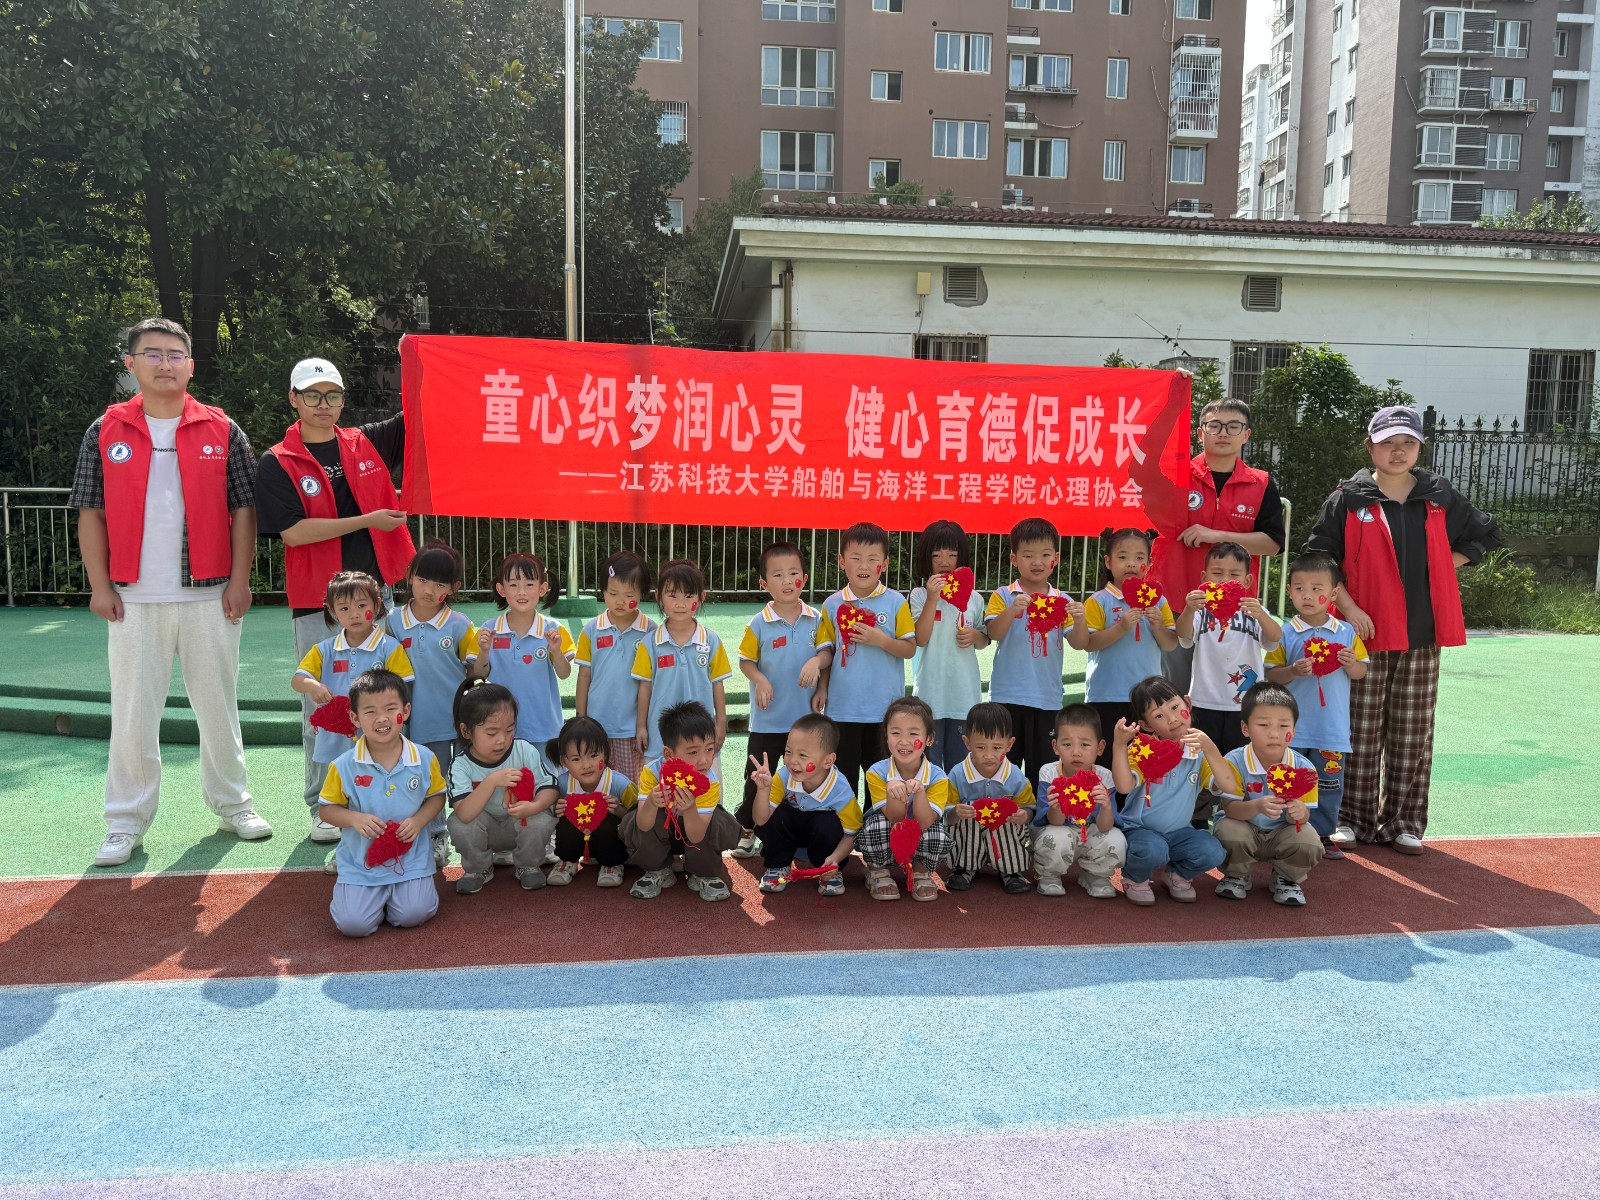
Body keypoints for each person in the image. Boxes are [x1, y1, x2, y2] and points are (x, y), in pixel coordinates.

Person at [71, 316, 269, 867]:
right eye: (152, 354)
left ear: (191, 365)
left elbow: (244, 510)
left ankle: (234, 804)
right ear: (130, 364)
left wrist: (240, 579)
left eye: (175, 354)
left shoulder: (222, 429)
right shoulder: (105, 429)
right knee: (133, 714)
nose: (165, 363)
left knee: (219, 708)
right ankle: (125, 820)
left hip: (210, 594)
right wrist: (100, 586)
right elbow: (90, 512)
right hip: (132, 597)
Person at [1307, 405, 1500, 855]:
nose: (1398, 452)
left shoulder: (1438, 495)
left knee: (1412, 730)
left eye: (1407, 443)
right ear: (1369, 446)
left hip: (1422, 631)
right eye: (1388, 443)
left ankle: (1404, 821)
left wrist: (1445, 564)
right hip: (1362, 632)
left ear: (1419, 448)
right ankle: (1351, 817)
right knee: (1357, 727)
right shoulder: (1348, 498)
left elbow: (1485, 536)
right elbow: (1321, 557)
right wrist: (1348, 606)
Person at [257, 357, 415, 833]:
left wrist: (413, 355)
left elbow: (421, 413)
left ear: (343, 400)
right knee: (324, 708)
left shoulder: (366, 441)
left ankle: (380, 796)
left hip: (374, 596)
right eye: (312, 395)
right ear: (294, 399)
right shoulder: (277, 461)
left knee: (382, 702)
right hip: (318, 602)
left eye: (332, 395)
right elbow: (294, 532)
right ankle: (322, 807)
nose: (323, 404)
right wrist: (368, 520)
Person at [1148, 396, 1285, 691]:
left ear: (1246, 434)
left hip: (1233, 608)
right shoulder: (1175, 476)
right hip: (1178, 600)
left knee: (1230, 691)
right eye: (1214, 426)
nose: (1223, 433)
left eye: (1233, 426)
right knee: (1176, 692)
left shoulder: (1261, 483)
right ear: (1200, 433)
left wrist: (1215, 534)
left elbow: (1272, 543)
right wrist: (1171, 403)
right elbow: (1142, 468)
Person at [317, 669, 446, 938]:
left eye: (390, 708)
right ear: (355, 718)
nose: (382, 718)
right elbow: (326, 810)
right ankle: (368, 899)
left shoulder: (424, 758)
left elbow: (437, 796)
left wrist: (419, 821)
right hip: (360, 862)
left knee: (413, 914)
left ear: (405, 711)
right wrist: (354, 819)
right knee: (353, 926)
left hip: (410, 860)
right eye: (370, 711)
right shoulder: (343, 766)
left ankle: (395, 900)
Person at [291, 571, 414, 841]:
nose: (354, 614)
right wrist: (313, 686)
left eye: (361, 605)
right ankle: (327, 816)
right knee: (336, 773)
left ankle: (379, 816)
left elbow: (404, 685)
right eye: (344, 608)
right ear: (332, 611)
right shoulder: (324, 649)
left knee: (376, 772)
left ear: (377, 605)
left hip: (378, 732)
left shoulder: (390, 647)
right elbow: (298, 680)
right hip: (335, 733)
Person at [1263, 552, 1369, 859]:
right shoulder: (1283, 633)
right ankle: (1282, 832)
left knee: (1329, 783)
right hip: (1291, 729)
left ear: (1333, 594)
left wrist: (1350, 664)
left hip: (1331, 729)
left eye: (1316, 589)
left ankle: (1322, 833)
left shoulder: (1346, 632)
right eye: (1299, 588)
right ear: (1289, 591)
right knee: (1286, 780)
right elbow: (1271, 675)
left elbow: (1361, 672)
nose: (1307, 595)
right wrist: (1293, 671)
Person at [737, 542, 836, 859]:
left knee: (802, 777)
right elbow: (746, 662)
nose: (787, 581)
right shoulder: (758, 623)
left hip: (804, 723)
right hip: (767, 721)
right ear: (764, 583)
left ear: (804, 579)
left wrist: (819, 674)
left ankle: (794, 831)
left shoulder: (816, 619)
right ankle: (748, 828)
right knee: (756, 777)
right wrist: (760, 680)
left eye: (793, 573)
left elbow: (827, 654)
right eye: (777, 575)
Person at [387, 541, 477, 867]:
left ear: (453, 588)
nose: (429, 590)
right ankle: (437, 836)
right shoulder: (393, 622)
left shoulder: (460, 624)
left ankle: (476, 838)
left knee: (468, 779)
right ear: (409, 576)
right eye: (423, 580)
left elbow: (475, 673)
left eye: (440, 584)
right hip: (420, 722)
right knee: (430, 783)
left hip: (458, 720)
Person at [1111, 676, 1229, 907]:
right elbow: (1124, 786)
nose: (1172, 718)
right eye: (1158, 716)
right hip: (1140, 831)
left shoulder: (1200, 750)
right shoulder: (1143, 749)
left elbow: (1228, 787)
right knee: (1153, 848)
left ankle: (1177, 875)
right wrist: (1119, 745)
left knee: (1213, 851)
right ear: (1146, 725)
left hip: (1180, 833)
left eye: (1175, 707)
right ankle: (1135, 878)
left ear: (1188, 703)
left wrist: (1211, 749)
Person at [820, 522, 917, 794]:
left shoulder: (896, 602)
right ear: (842, 561)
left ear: (884, 564)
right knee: (843, 781)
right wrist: (822, 688)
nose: (864, 566)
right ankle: (846, 822)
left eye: (873, 559)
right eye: (856, 558)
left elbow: (910, 648)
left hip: (884, 711)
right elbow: (827, 652)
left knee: (881, 785)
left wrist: (881, 640)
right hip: (842, 709)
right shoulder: (831, 605)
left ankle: (876, 822)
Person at [983, 518, 1079, 786]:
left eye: (1045, 555)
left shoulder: (1063, 601)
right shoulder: (1004, 595)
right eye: (1028, 556)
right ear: (1014, 559)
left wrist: (1080, 620)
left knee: (1044, 767)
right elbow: (993, 633)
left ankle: (1040, 812)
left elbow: (1079, 642)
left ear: (1055, 558)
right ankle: (1004, 809)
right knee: (1004, 767)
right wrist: (1012, 611)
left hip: (1047, 698)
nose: (1037, 562)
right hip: (1007, 696)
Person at [1211, 683, 1325, 906]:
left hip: (1283, 833)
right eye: (1263, 725)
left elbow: (1304, 819)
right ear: (1245, 728)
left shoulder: (1305, 769)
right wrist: (1257, 806)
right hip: (1245, 828)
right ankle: (1237, 875)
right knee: (1227, 829)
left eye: (1284, 725)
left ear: (1294, 729)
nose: (1274, 734)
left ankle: (1286, 878)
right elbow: (1230, 809)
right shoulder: (1233, 762)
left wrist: (1298, 812)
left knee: (1309, 839)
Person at [446, 679, 559, 894]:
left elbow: (550, 788)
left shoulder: (524, 750)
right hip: (485, 828)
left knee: (541, 817)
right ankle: (478, 868)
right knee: (458, 823)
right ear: (466, 731)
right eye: (491, 733)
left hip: (518, 823)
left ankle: (528, 865)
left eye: (509, 730)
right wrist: (491, 781)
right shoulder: (460, 765)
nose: (502, 740)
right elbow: (465, 814)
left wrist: (533, 806)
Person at [1174, 541, 1283, 758]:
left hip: (1245, 703)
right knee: (1203, 761)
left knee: (1239, 759)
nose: (1224, 580)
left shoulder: (1254, 609)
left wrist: (1261, 615)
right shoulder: (1200, 610)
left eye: (1234, 574)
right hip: (1204, 700)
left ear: (1247, 580)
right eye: (1217, 573)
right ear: (1204, 577)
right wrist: (1188, 609)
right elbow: (1183, 634)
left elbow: (1275, 637)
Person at [1082, 528, 1179, 766]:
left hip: (1149, 699)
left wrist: (1158, 626)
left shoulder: (1158, 600)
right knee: (1106, 760)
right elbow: (1089, 643)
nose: (1131, 564)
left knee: (1146, 762)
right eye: (1123, 557)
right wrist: (1122, 627)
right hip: (1106, 695)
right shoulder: (1098, 601)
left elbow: (1170, 644)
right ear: (1108, 562)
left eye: (1139, 558)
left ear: (1149, 563)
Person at [626, 701, 741, 902]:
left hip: (694, 832)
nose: (704, 760)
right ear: (668, 754)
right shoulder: (652, 773)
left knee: (717, 821)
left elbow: (697, 835)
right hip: (665, 832)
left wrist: (689, 809)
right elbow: (643, 825)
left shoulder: (709, 781)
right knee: (636, 816)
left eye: (709, 749)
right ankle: (658, 869)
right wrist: (652, 802)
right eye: (693, 752)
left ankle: (703, 873)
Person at [748, 713, 860, 898]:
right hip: (791, 830)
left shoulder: (840, 790)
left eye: (802, 755)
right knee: (776, 815)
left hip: (820, 837)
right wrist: (763, 790)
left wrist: (835, 859)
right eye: (788, 752)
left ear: (828, 761)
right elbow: (760, 820)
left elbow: (852, 834)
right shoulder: (783, 776)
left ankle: (828, 870)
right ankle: (778, 864)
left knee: (829, 824)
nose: (792, 761)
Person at [631, 559, 733, 761]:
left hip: (702, 740)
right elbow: (645, 688)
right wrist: (641, 726)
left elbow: (717, 685)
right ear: (659, 596)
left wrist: (720, 723)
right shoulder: (649, 643)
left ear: (701, 597)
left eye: (688, 596)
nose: (680, 604)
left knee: (705, 780)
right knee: (661, 781)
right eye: (672, 595)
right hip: (661, 740)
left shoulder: (711, 641)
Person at [909, 520, 988, 769]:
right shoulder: (919, 595)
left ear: (961, 557)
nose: (945, 562)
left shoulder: (974, 598)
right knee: (928, 766)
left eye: (952, 555)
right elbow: (921, 638)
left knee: (960, 766)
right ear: (926, 559)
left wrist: (976, 636)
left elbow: (984, 639)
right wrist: (933, 598)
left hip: (963, 695)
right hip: (929, 695)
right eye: (937, 555)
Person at [860, 697, 954, 902]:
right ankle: (877, 871)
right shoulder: (876, 772)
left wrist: (919, 792)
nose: (904, 741)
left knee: (937, 832)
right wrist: (891, 789)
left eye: (913, 734)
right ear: (886, 735)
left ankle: (921, 872)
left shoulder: (938, 777)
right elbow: (894, 818)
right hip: (888, 835)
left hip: (920, 834)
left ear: (929, 739)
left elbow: (925, 822)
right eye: (896, 733)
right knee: (874, 825)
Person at [476, 552, 575, 745]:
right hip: (499, 729)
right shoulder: (488, 629)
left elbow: (564, 674)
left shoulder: (554, 629)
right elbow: (478, 674)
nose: (521, 592)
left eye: (529, 584)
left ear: (542, 588)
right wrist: (484, 651)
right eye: (513, 585)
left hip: (544, 728)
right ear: (501, 589)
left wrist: (556, 651)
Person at [573, 551, 654, 784]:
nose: (620, 601)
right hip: (596, 726)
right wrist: (581, 718)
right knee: (596, 785)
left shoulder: (651, 632)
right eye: (613, 593)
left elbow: (650, 683)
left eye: (629, 595)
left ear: (642, 593)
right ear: (603, 591)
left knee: (631, 787)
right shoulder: (591, 630)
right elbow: (584, 676)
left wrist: (643, 725)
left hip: (632, 728)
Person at [1032, 705, 1128, 899]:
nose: (1076, 752)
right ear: (1055, 746)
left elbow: (1105, 827)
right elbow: (1054, 822)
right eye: (1067, 744)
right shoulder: (1049, 773)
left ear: (1100, 747)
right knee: (1055, 836)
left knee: (1116, 839)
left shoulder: (1105, 777)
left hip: (1090, 834)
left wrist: (1106, 807)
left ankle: (1095, 875)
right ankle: (1049, 875)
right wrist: (1057, 805)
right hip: (1059, 829)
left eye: (1084, 745)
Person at [943, 702, 1036, 895]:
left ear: (1009, 744)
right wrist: (956, 813)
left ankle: (1011, 870)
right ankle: (964, 867)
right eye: (980, 747)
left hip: (1005, 838)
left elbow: (1029, 808)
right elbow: (946, 817)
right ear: (967, 743)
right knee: (968, 810)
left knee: (1007, 812)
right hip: (968, 836)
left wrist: (1024, 815)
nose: (989, 755)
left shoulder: (1016, 776)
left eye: (997, 747)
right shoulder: (957, 775)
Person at [547, 715, 639, 888]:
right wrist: (556, 811)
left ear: (606, 752)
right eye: (576, 759)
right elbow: (546, 814)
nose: (586, 765)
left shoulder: (620, 784)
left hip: (611, 845)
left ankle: (612, 864)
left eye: (593, 755)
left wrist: (619, 810)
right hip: (577, 844)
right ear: (564, 761)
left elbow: (639, 815)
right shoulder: (561, 785)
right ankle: (568, 861)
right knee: (566, 821)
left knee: (607, 821)